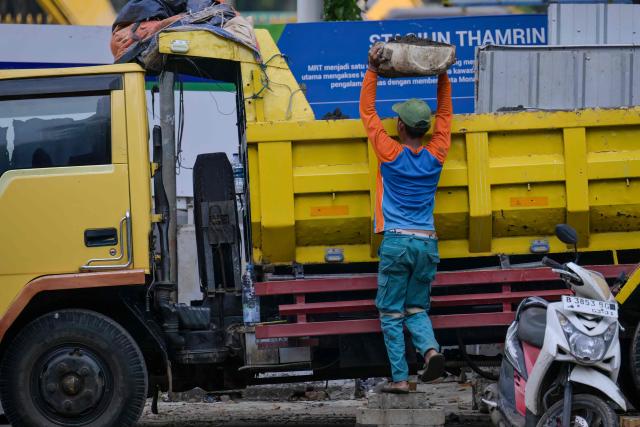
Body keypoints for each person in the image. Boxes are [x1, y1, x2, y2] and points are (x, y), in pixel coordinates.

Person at [359, 44, 452, 393]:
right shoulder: (436, 155)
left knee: (391, 313)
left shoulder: (390, 154)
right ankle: (429, 351)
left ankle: (400, 379)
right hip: (427, 242)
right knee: (416, 307)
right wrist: (441, 74)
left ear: (399, 125)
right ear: (424, 129)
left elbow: (367, 112)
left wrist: (372, 70)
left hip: (397, 241)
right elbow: (445, 117)